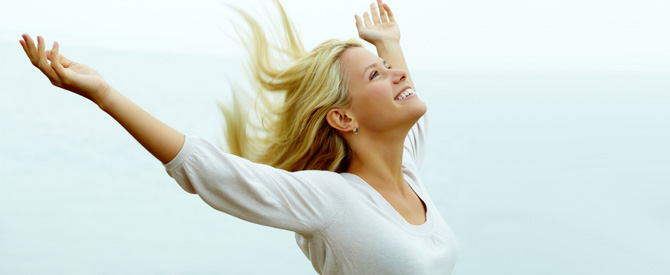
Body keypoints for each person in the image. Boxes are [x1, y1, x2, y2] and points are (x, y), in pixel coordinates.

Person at [19, 0, 458, 274]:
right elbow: (209, 170)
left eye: (389, 68)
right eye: (376, 74)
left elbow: (406, 91)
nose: (396, 71)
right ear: (343, 118)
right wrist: (105, 95)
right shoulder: (332, 200)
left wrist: (388, 43)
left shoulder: (407, 169)